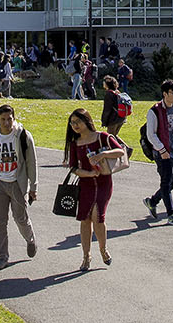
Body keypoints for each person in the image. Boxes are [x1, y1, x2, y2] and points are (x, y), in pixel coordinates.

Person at [0, 104, 39, 270]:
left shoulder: (23, 136)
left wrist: (33, 186)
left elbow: (32, 162)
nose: (6, 123)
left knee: (20, 219)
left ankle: (30, 239)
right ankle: (2, 257)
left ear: (14, 118)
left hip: (17, 184)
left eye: (9, 119)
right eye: (3, 119)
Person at [62, 107, 123, 271]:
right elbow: (73, 167)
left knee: (98, 216)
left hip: (104, 183)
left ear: (86, 121)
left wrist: (102, 155)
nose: (75, 125)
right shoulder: (75, 144)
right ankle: (86, 256)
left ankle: (103, 249)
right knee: (85, 219)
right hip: (86, 184)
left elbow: (120, 151)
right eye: (72, 123)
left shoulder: (101, 137)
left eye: (78, 122)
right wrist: (88, 174)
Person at [142, 79, 173, 226]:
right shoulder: (154, 111)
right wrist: (162, 150)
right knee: (166, 183)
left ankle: (152, 201)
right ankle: (171, 214)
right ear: (165, 94)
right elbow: (151, 134)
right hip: (162, 153)